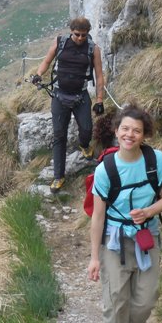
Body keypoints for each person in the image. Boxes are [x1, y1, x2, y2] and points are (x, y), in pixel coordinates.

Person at [87, 104, 162, 323]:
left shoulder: (156, 160)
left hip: (147, 237)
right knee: (115, 301)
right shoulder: (105, 170)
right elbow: (97, 216)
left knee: (146, 299)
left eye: (136, 130)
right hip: (114, 242)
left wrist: (149, 212)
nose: (130, 134)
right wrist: (94, 258)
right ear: (116, 131)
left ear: (144, 134)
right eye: (125, 129)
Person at [31, 17, 105, 193]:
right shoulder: (60, 42)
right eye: (77, 34)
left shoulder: (93, 49)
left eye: (84, 35)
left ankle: (84, 144)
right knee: (59, 135)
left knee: (87, 128)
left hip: (81, 96)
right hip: (59, 96)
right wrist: (39, 74)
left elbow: (100, 75)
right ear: (71, 31)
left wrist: (100, 99)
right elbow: (47, 61)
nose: (80, 38)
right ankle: (58, 176)